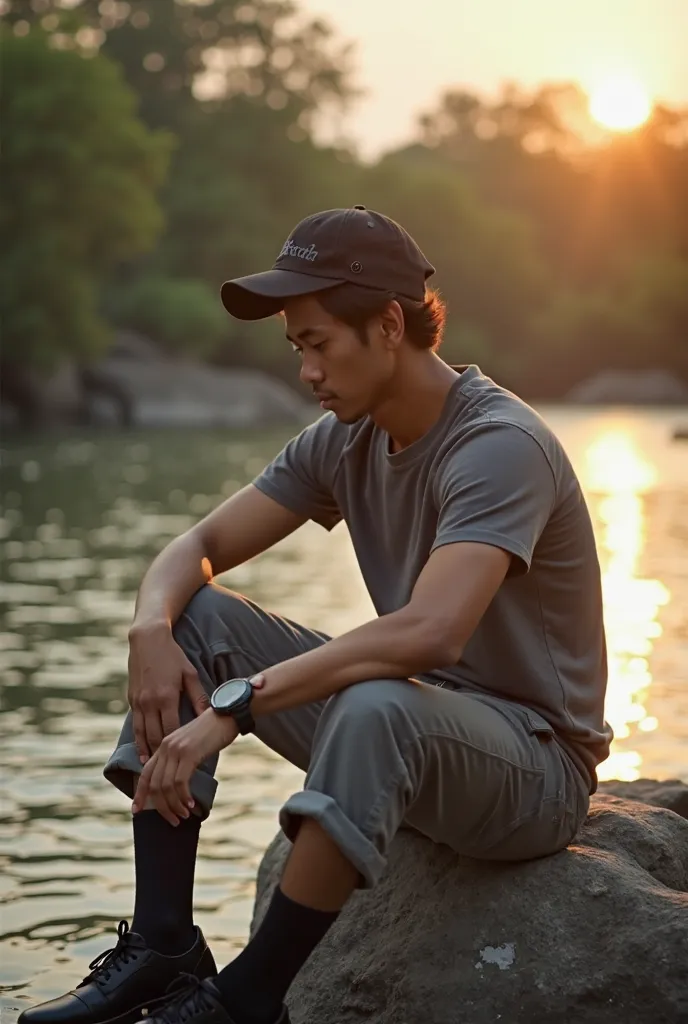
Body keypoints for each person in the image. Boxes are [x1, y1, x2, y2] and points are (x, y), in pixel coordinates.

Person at [20, 206, 612, 1024]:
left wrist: (237, 706)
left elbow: (429, 632)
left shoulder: (498, 445)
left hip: (534, 769)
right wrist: (148, 628)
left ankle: (247, 1001)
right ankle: (163, 945)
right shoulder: (346, 438)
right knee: (200, 621)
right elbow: (198, 544)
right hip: (420, 725)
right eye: (297, 348)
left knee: (377, 701)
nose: (307, 371)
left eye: (319, 343)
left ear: (390, 325)